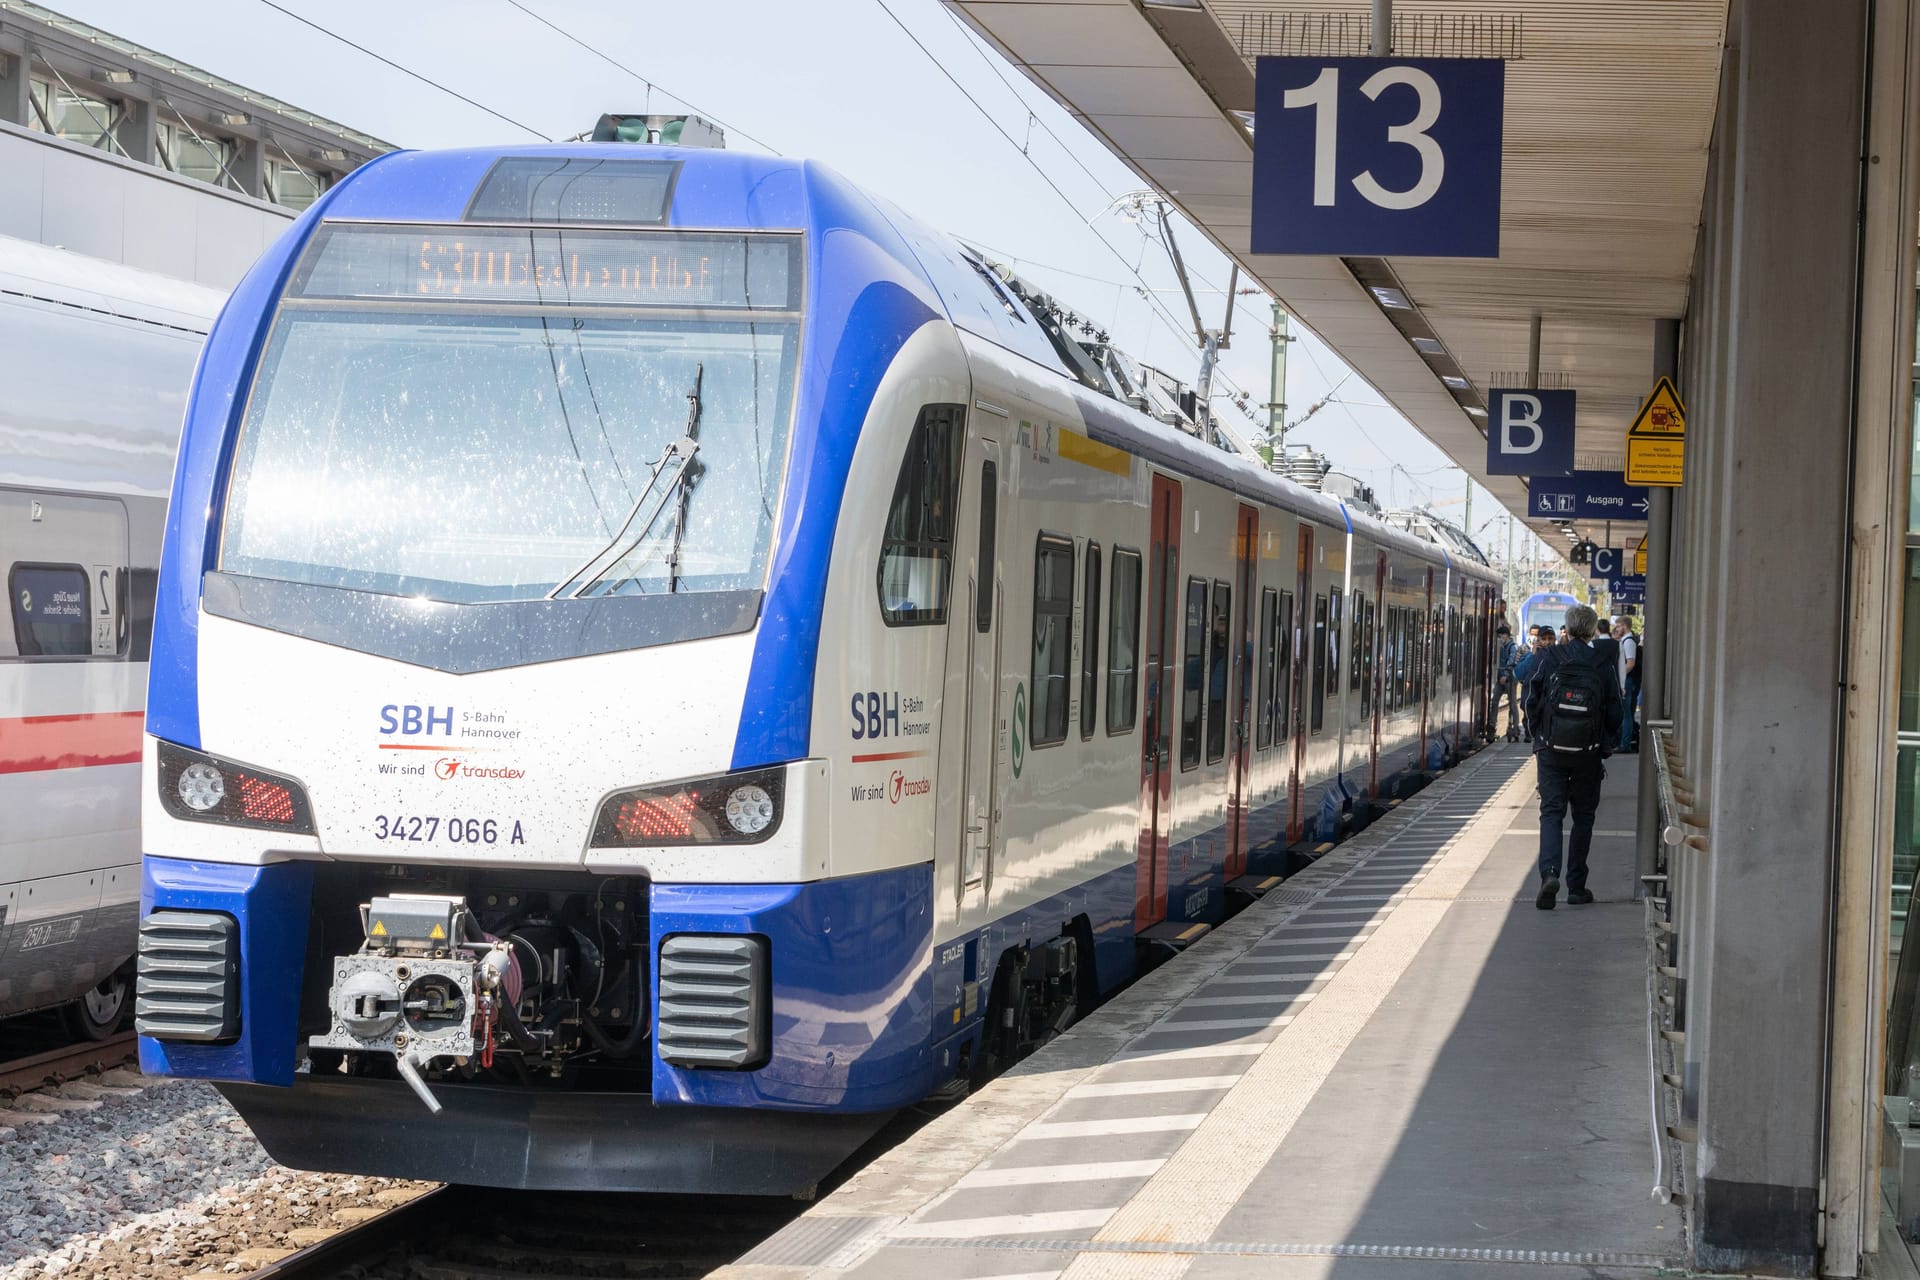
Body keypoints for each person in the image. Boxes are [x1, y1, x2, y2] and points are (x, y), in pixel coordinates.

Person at [1526, 604, 1623, 910]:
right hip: (1588, 753)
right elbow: (1616, 710)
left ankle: (1549, 874)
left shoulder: (1550, 658)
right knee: (1583, 817)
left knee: (1551, 812)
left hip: (1551, 749)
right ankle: (1577, 886)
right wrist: (1606, 745)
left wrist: (1537, 735)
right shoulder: (1601, 662)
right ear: (1593, 630)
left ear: (1566, 628)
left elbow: (1531, 699)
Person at [1615, 617, 1641, 753]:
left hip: (1628, 681)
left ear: (1625, 626)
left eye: (1618, 626)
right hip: (1630, 680)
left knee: (1626, 713)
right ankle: (1626, 741)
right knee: (1628, 712)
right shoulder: (1627, 640)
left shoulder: (1628, 642)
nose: (1616, 629)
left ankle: (1625, 743)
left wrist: (1620, 676)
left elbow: (1630, 663)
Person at [1494, 625, 1521, 741]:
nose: (1499, 639)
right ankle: (1492, 726)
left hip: (1510, 678)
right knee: (1494, 700)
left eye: (1500, 636)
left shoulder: (1513, 647)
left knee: (1513, 703)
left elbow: (1511, 661)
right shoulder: (1503, 647)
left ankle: (1515, 727)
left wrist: (1505, 675)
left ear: (1506, 635)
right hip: (1501, 677)